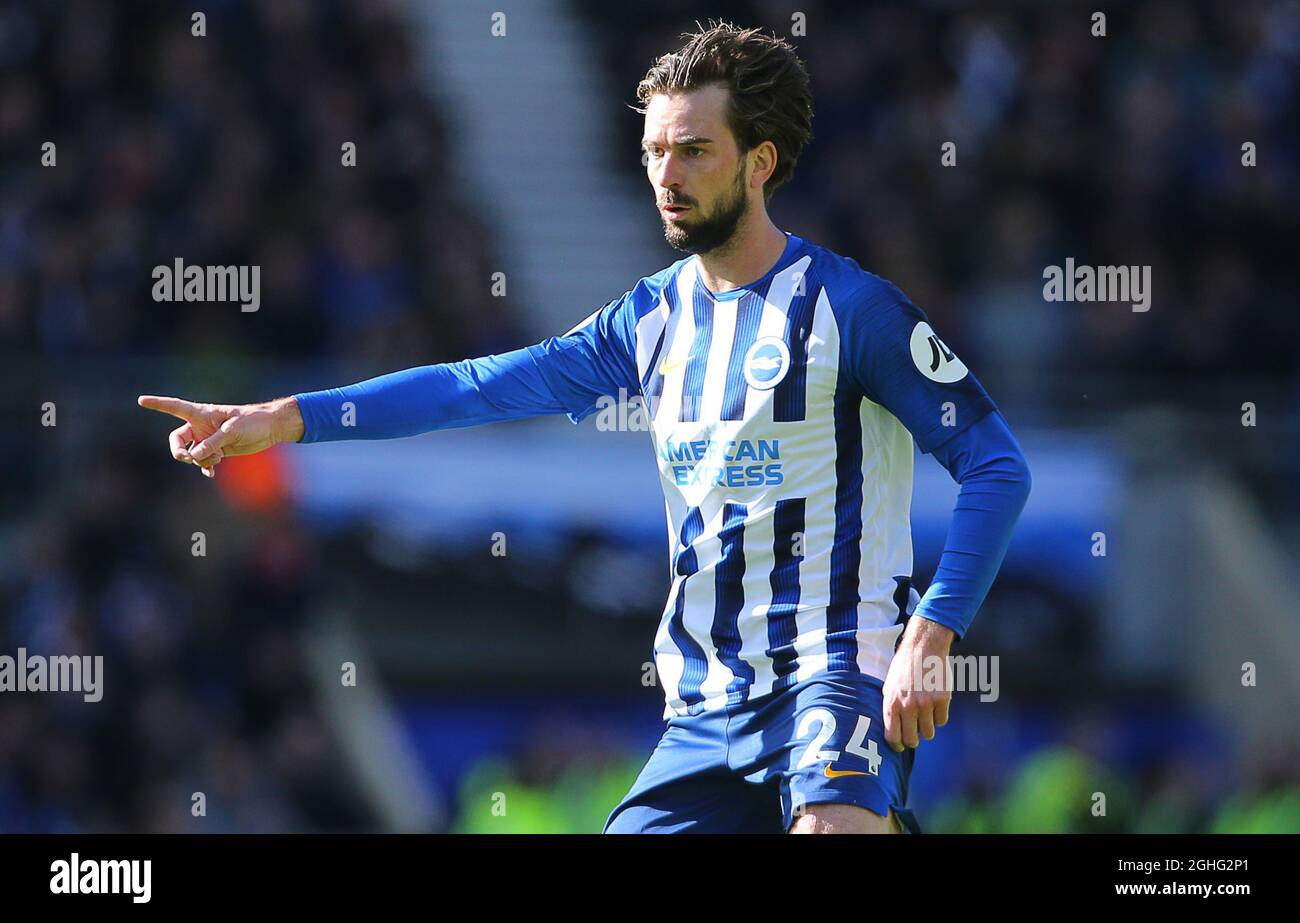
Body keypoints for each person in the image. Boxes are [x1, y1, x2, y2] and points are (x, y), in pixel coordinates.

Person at [140, 21, 1031, 834]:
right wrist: (288, 418)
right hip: (705, 704)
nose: (667, 176)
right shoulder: (648, 322)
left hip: (839, 671)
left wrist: (932, 630)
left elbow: (996, 465)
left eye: (693, 150)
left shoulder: (853, 311)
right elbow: (473, 388)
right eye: (653, 151)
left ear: (760, 162)